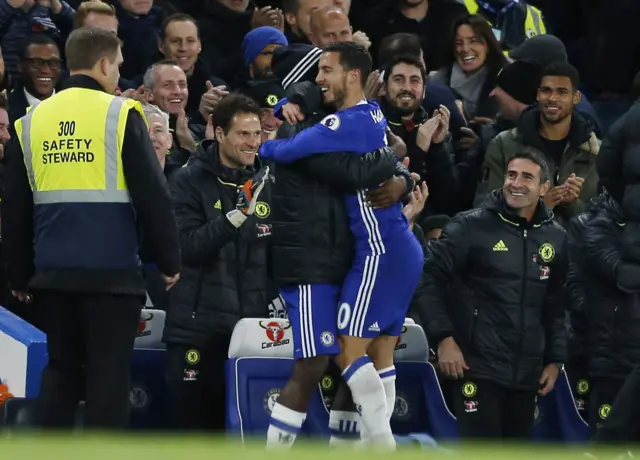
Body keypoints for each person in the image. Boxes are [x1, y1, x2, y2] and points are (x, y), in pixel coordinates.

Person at [2, 26, 181, 430]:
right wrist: (169, 259)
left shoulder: (31, 121)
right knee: (108, 373)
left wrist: (19, 272)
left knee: (61, 370)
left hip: (53, 274)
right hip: (112, 273)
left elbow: (15, 206)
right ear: (103, 63)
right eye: (117, 65)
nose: (119, 74)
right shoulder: (120, 115)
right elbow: (153, 195)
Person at [260, 41, 423, 450]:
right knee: (366, 352)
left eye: (325, 71)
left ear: (350, 75)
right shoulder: (349, 116)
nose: (318, 81)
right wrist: (394, 160)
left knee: (349, 352)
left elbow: (317, 159)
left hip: (373, 251)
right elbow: (357, 166)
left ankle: (380, 445)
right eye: (312, 75)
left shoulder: (340, 122)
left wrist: (263, 149)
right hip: (332, 257)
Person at [417, 151, 567, 440]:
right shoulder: (470, 226)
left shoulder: (556, 237)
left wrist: (554, 359)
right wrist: (444, 339)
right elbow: (427, 277)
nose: (516, 183)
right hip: (476, 367)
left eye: (527, 177)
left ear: (544, 188)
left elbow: (554, 303)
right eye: (511, 174)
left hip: (526, 373)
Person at [162, 93, 271, 431]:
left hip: (252, 334)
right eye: (243, 134)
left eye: (257, 134)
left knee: (243, 436)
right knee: (194, 434)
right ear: (219, 133)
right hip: (198, 330)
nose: (252, 143)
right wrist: (235, 218)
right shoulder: (187, 181)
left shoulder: (270, 185)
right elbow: (185, 247)